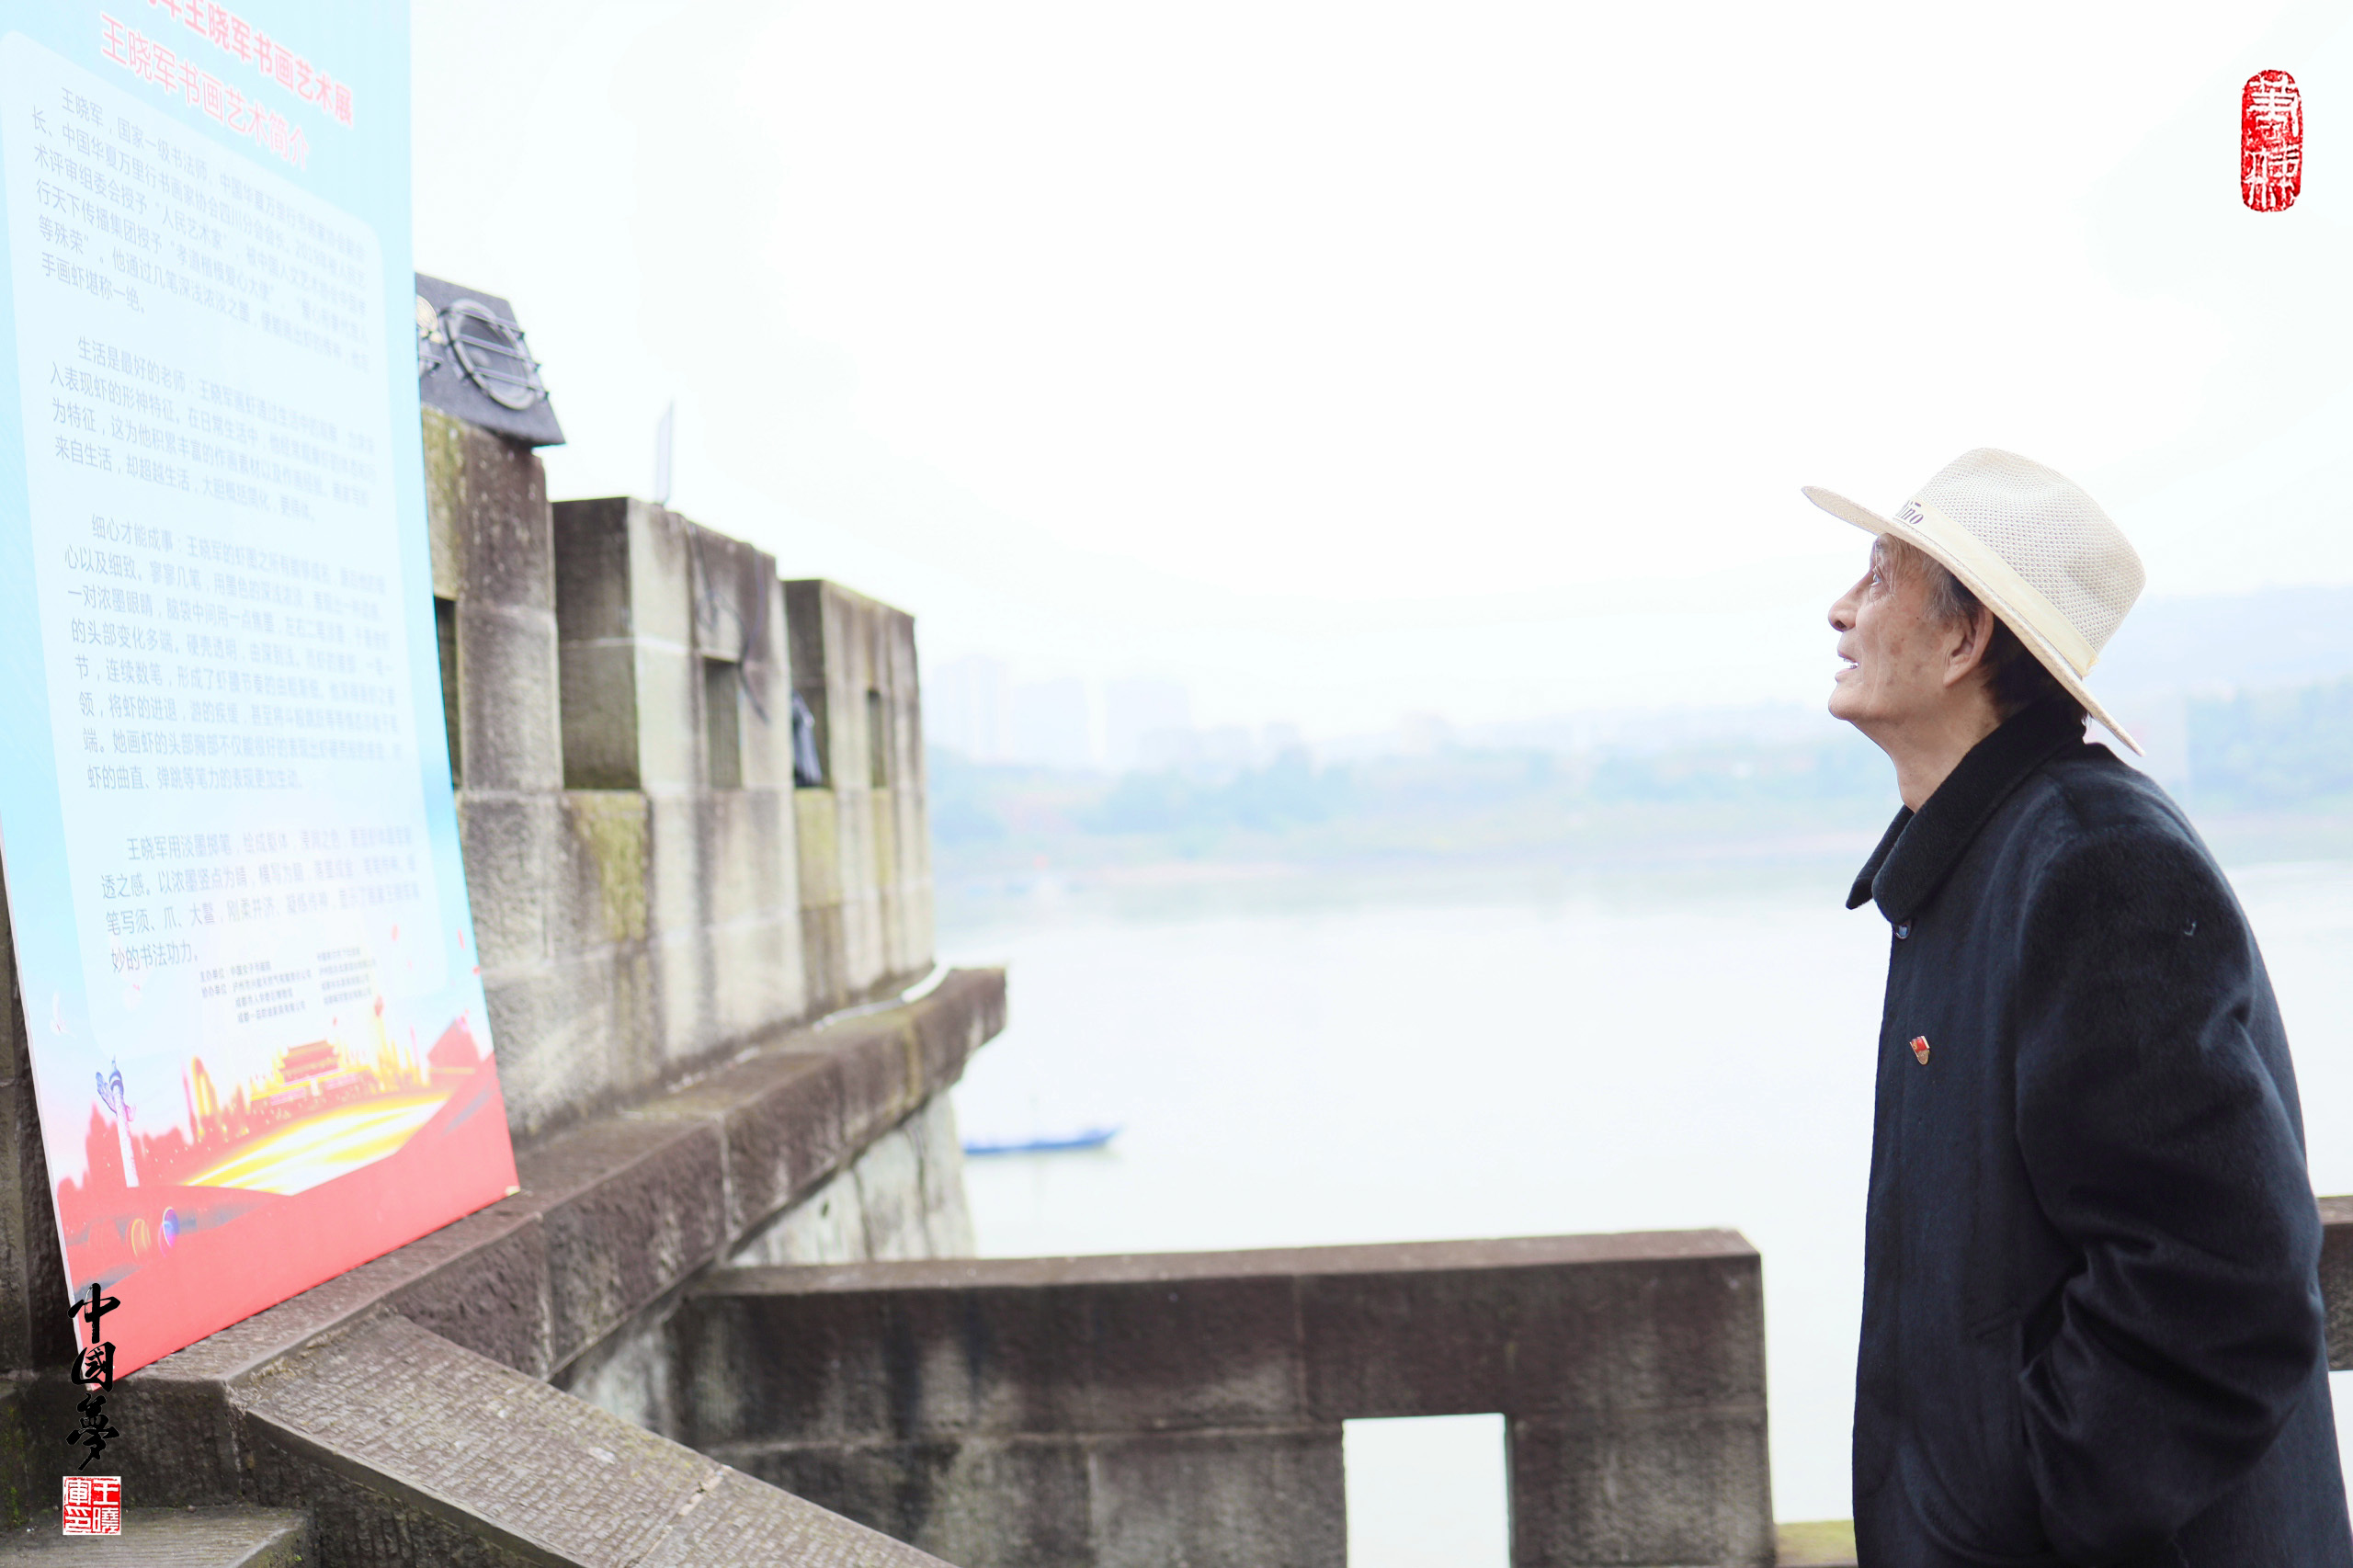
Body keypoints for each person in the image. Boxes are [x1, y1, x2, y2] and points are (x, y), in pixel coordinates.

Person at [1807, 448, 2351, 1566]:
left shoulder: (2093, 863)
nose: (1840, 608)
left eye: (1880, 575)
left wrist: (2045, 1508)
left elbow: (2221, 1276)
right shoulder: (1983, 863)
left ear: (1965, 639)